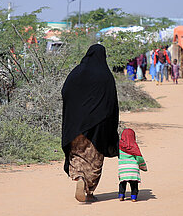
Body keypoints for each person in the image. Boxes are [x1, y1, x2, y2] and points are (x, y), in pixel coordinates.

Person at [62, 44, 119, 202]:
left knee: (77, 152)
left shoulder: (76, 73)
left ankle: (79, 177)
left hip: (76, 124)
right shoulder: (105, 75)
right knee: (94, 156)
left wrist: (75, 112)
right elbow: (112, 101)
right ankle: (90, 191)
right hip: (99, 125)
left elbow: (65, 92)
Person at [118, 128, 147, 202]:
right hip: (133, 168)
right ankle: (133, 197)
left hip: (123, 168)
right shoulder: (134, 146)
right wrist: (143, 166)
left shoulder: (119, 146)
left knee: (122, 182)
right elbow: (139, 158)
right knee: (134, 184)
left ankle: (121, 195)